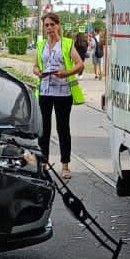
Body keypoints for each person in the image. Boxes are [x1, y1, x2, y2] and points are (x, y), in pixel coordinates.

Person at [32, 12, 85, 180]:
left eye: (51, 25)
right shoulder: (41, 45)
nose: (49, 28)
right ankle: (43, 163)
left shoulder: (67, 44)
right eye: (46, 25)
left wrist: (66, 73)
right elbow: (35, 66)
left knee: (63, 129)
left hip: (63, 92)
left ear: (58, 25)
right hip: (45, 92)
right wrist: (38, 72)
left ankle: (65, 165)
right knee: (44, 129)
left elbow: (80, 64)